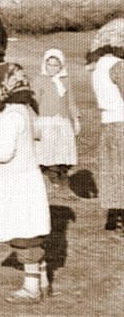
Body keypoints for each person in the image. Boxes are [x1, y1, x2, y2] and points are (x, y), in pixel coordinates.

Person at [0, 63, 52, 303]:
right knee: (28, 231)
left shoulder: (11, 115)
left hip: (16, 183)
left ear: (6, 86)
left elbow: (4, 151)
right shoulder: (23, 110)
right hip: (24, 179)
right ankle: (41, 279)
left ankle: (31, 288)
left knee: (23, 234)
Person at [86, 19, 124, 233]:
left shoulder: (98, 68)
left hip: (108, 122)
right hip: (122, 121)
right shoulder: (118, 67)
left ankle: (113, 215)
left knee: (112, 170)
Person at [33, 48, 80, 189]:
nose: (52, 68)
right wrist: (34, 122)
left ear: (61, 66)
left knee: (63, 148)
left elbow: (71, 102)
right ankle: (52, 174)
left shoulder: (65, 81)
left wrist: (76, 119)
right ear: (44, 64)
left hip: (62, 121)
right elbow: (34, 102)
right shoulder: (39, 80)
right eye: (49, 64)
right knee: (49, 149)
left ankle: (63, 172)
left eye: (56, 65)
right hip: (46, 121)